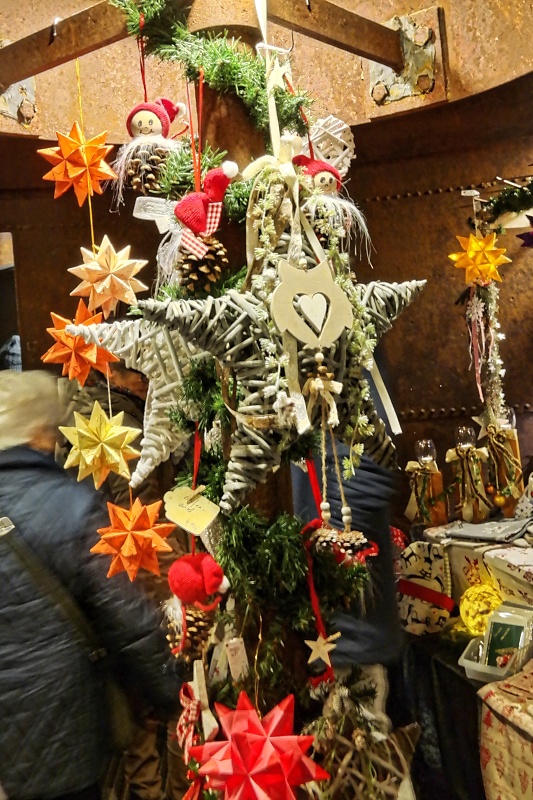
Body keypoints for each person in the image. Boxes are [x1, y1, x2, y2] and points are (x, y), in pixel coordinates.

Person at [0, 370, 184, 800]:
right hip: (64, 732)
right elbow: (127, 620)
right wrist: (169, 693)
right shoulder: (72, 506)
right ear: (43, 433)